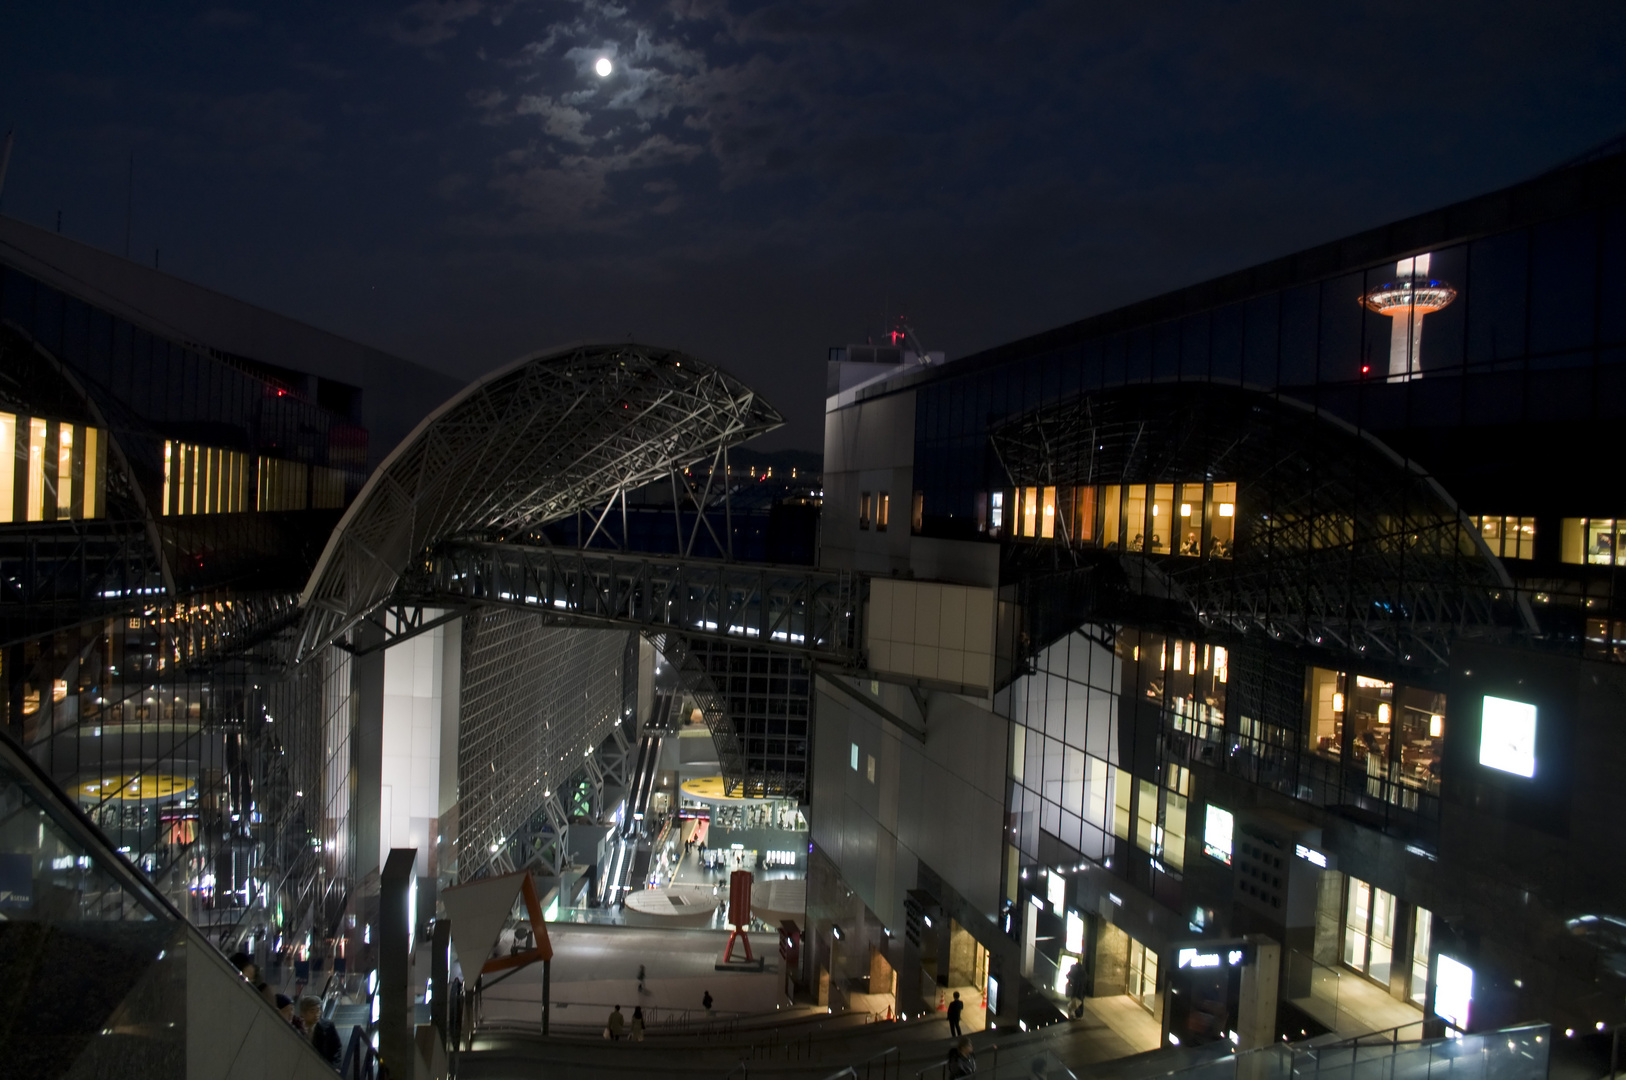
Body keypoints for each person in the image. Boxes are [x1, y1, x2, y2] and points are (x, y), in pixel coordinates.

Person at [298, 996, 342, 1067]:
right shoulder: (296, 1027)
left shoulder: (328, 1027)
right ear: (303, 1013)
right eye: (312, 1011)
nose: (316, 1014)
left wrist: (335, 1066)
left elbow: (337, 1047)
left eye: (318, 1010)